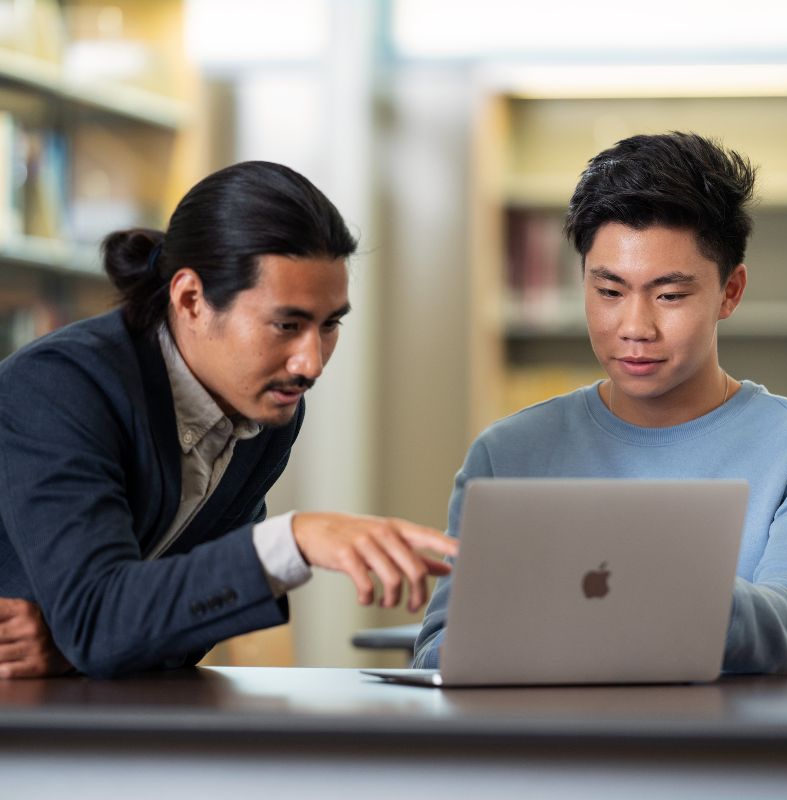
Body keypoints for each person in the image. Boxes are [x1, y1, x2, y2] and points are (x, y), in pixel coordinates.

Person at [413, 132, 787, 674]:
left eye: (669, 295)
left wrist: (634, 588)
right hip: (543, 749)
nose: (635, 328)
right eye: (609, 292)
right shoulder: (508, 453)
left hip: (723, 752)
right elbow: (438, 650)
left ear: (731, 292)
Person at [0, 160, 457, 679]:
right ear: (190, 298)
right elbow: (102, 622)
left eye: (329, 325)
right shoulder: (61, 387)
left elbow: (183, 625)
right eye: (287, 324)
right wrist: (296, 539)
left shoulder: (264, 414)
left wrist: (80, 642)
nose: (310, 363)